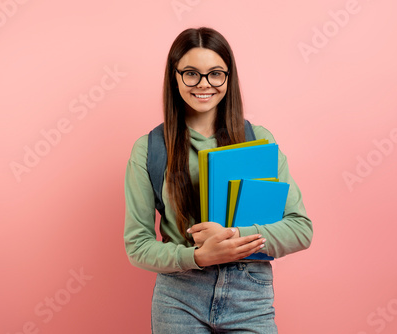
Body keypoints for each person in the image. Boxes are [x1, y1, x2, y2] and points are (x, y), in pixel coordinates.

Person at [124, 27, 313, 333]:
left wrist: (234, 236)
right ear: (174, 76)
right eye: (191, 73)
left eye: (215, 73)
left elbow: (300, 229)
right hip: (179, 298)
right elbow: (137, 244)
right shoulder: (148, 149)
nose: (204, 84)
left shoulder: (259, 141)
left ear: (228, 77)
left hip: (249, 296)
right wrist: (198, 256)